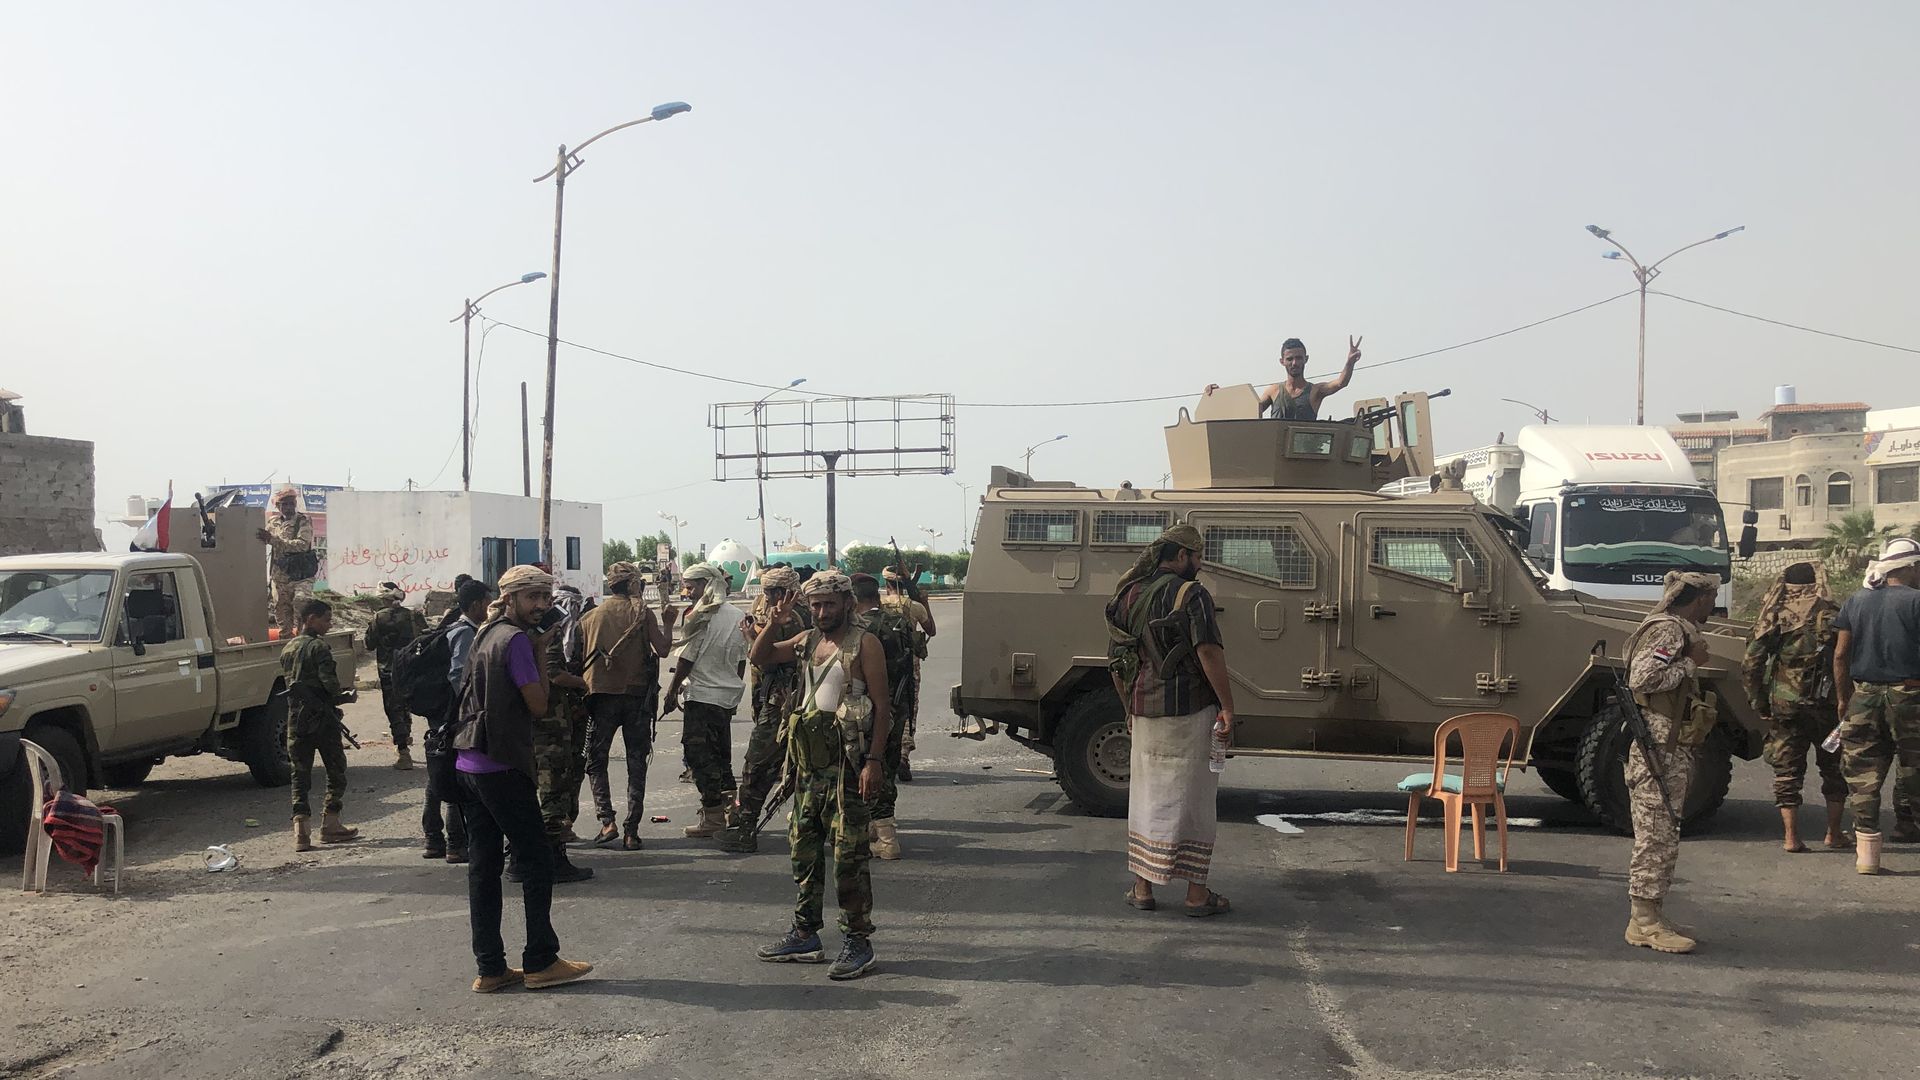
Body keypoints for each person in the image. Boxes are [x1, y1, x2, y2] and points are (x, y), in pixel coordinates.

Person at [450, 564, 594, 993]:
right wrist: (537, 655)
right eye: (533, 597)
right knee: (535, 859)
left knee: (484, 865)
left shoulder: (485, 632)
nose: (542, 606)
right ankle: (541, 960)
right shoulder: (514, 641)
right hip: (502, 764)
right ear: (510, 598)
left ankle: (490, 967)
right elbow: (537, 703)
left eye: (545, 598)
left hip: (469, 762)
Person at [748, 571, 892, 980]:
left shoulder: (864, 644)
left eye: (829, 604)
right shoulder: (808, 640)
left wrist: (874, 762)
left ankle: (858, 940)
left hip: (847, 768)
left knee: (849, 858)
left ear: (847, 602)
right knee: (804, 851)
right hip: (809, 768)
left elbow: (883, 708)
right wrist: (774, 622)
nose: (822, 612)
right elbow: (759, 657)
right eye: (815, 605)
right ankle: (805, 933)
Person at [1105, 525, 1234, 917]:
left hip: (1145, 709)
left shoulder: (1128, 594)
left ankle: (1143, 888)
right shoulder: (1191, 594)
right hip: (1191, 710)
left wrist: (1129, 705)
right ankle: (1196, 895)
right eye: (1197, 556)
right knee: (1194, 799)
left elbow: (1116, 660)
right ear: (1181, 556)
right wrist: (1228, 707)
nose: (1200, 563)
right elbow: (1208, 651)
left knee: (1147, 798)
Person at [1621, 570, 1721, 954]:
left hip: (1667, 746)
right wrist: (1690, 663)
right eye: (1711, 599)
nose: (1714, 605)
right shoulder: (1670, 631)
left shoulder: (1674, 627)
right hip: (1658, 749)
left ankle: (1652, 915)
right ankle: (1643, 923)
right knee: (1655, 836)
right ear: (1698, 599)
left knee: (1664, 833)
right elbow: (1642, 678)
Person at [1743, 562, 1848, 852]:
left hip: (1786, 705)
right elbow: (1847, 656)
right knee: (1834, 767)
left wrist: (1759, 701)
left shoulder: (1776, 615)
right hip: (1828, 706)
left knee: (1788, 768)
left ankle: (1791, 837)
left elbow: (1752, 662)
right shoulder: (1834, 613)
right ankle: (1834, 833)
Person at [1833, 537, 1920, 874]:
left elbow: (1840, 654)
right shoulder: (1916, 602)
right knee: (1914, 769)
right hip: (1911, 695)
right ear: (1911, 567)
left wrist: (1843, 699)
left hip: (1863, 696)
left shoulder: (1856, 600)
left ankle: (1867, 856)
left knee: (1862, 776)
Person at [578, 562, 675, 849]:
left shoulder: (591, 616)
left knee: (596, 761)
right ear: (634, 584)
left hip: (601, 698)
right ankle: (631, 831)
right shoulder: (642, 613)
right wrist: (669, 623)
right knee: (637, 763)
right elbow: (664, 649)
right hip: (636, 698)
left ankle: (606, 820)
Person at [718, 565, 810, 854]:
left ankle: (745, 829)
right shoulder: (802, 613)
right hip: (793, 699)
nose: (767, 597)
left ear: (784, 592)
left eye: (771, 592)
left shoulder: (790, 617)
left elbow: (768, 660)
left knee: (757, 766)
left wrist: (752, 636)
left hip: (781, 702)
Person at [664, 563, 749, 838]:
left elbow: (687, 658)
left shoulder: (701, 615)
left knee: (699, 755)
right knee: (722, 755)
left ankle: (712, 814)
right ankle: (729, 809)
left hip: (701, 695)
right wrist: (734, 690)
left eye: (692, 586)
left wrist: (671, 691)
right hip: (725, 696)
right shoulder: (738, 615)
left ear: (707, 584)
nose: (687, 592)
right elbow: (740, 661)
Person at [525, 583, 593, 884]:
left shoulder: (520, 635)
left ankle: (527, 856)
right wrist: (584, 682)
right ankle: (553, 860)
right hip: (550, 725)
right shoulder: (545, 639)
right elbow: (553, 674)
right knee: (552, 790)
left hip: (539, 724)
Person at [279, 598, 359, 852]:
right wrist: (346, 697)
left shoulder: (288, 648)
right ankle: (331, 824)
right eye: (325, 619)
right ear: (310, 619)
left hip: (296, 719)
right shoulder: (319, 648)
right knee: (336, 769)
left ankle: (301, 832)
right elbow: (330, 686)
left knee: (299, 774)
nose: (329, 624)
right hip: (322, 720)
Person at [854, 573, 918, 860]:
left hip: (870, 709)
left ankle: (885, 838)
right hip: (898, 704)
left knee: (869, 768)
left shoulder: (862, 629)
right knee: (887, 768)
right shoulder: (900, 623)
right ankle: (883, 833)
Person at [426, 580, 491, 862]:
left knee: (438, 777)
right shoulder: (465, 633)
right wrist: (468, 711)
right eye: (488, 602)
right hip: (453, 718)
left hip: (443, 716)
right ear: (477, 605)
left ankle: (434, 839)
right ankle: (453, 843)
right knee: (454, 779)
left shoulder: (456, 628)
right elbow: (458, 675)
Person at [1201, 336, 1363, 421]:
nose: (1295, 363)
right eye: (1290, 359)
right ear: (1282, 361)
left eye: (1299, 358)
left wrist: (1350, 362)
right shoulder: (1274, 391)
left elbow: (1341, 382)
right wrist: (1219, 396)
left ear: (1306, 359)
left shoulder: (1315, 391)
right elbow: (1248, 411)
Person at [365, 581, 428, 771]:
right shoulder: (413, 615)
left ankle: (403, 751)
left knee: (393, 709)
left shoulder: (379, 618)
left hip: (388, 670)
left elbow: (369, 643)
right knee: (404, 705)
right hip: (409, 668)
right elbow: (426, 636)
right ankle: (405, 736)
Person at [881, 567, 935, 781]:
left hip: (882, 663)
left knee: (882, 705)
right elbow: (931, 630)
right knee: (908, 708)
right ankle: (903, 755)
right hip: (908, 664)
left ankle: (883, 755)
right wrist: (924, 601)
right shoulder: (915, 607)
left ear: (887, 585)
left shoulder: (879, 605)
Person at [257, 484, 318, 637]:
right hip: (280, 575)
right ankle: (285, 641)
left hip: (300, 575)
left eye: (291, 503)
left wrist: (274, 540)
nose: (288, 507)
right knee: (281, 610)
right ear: (278, 506)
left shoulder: (303, 522)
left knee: (301, 603)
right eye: (284, 504)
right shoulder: (273, 523)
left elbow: (302, 545)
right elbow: (263, 540)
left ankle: (303, 636)